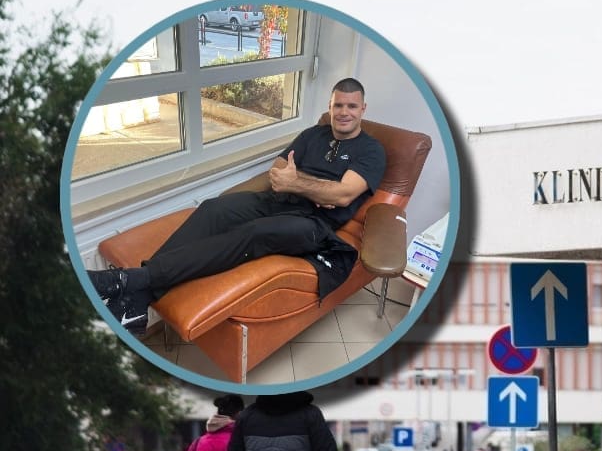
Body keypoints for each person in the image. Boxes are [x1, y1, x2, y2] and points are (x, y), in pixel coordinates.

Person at [87, 77, 386, 336]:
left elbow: (343, 195)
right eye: (338, 105)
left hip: (313, 225)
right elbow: (279, 166)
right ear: (330, 106)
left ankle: (129, 280)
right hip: (276, 201)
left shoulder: (371, 150)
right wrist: (314, 187)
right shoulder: (313, 134)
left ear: (363, 109)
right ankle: (140, 301)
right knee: (211, 209)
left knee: (254, 232)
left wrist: (298, 183)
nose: (343, 113)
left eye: (351, 106)